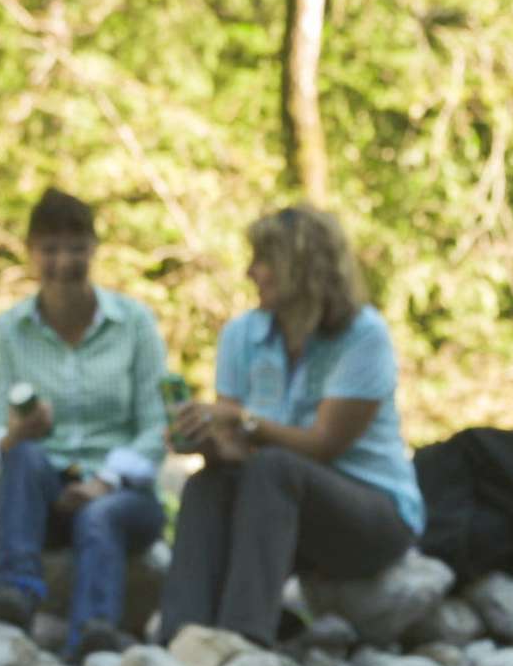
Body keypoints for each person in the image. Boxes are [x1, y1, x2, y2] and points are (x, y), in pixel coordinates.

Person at [162, 206, 423, 643]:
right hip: (278, 513)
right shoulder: (241, 335)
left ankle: (242, 639)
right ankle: (182, 640)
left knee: (275, 467)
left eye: (263, 260)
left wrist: (243, 422)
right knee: (207, 484)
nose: (251, 272)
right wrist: (208, 442)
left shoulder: (364, 336)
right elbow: (237, 447)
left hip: (371, 517)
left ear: (302, 266)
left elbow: (323, 446)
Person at [0, 190, 170, 656]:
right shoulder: (7, 332)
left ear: (94, 249)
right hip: (44, 491)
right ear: (30, 252)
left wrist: (105, 482)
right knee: (22, 457)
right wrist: (17, 434)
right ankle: (16, 594)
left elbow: (156, 429)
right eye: (50, 249)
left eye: (76, 248)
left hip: (120, 491)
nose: (63, 262)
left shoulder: (135, 324)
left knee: (100, 515)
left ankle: (93, 630)